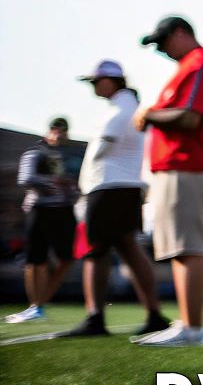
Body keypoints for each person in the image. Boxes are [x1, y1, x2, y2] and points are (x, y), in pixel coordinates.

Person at [133, 16, 203, 347]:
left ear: (180, 33)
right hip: (185, 166)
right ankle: (190, 324)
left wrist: (149, 114)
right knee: (185, 248)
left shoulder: (200, 63)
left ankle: (192, 328)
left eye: (162, 42)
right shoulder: (194, 65)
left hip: (188, 165)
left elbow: (190, 117)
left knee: (188, 248)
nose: (161, 50)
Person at [55, 61, 170, 339]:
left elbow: (100, 152)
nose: (93, 87)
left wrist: (84, 186)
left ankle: (95, 318)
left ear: (110, 81)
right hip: (125, 187)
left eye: (96, 82)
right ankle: (154, 314)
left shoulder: (120, 111)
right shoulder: (129, 108)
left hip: (108, 187)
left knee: (96, 251)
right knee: (129, 248)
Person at [6, 118, 81, 323]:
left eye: (64, 131)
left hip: (64, 211)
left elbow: (77, 185)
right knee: (35, 260)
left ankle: (40, 303)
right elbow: (25, 178)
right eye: (57, 130)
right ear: (49, 131)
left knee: (67, 258)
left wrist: (72, 189)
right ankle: (35, 306)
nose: (60, 135)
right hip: (40, 211)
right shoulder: (35, 153)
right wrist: (54, 182)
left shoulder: (70, 156)